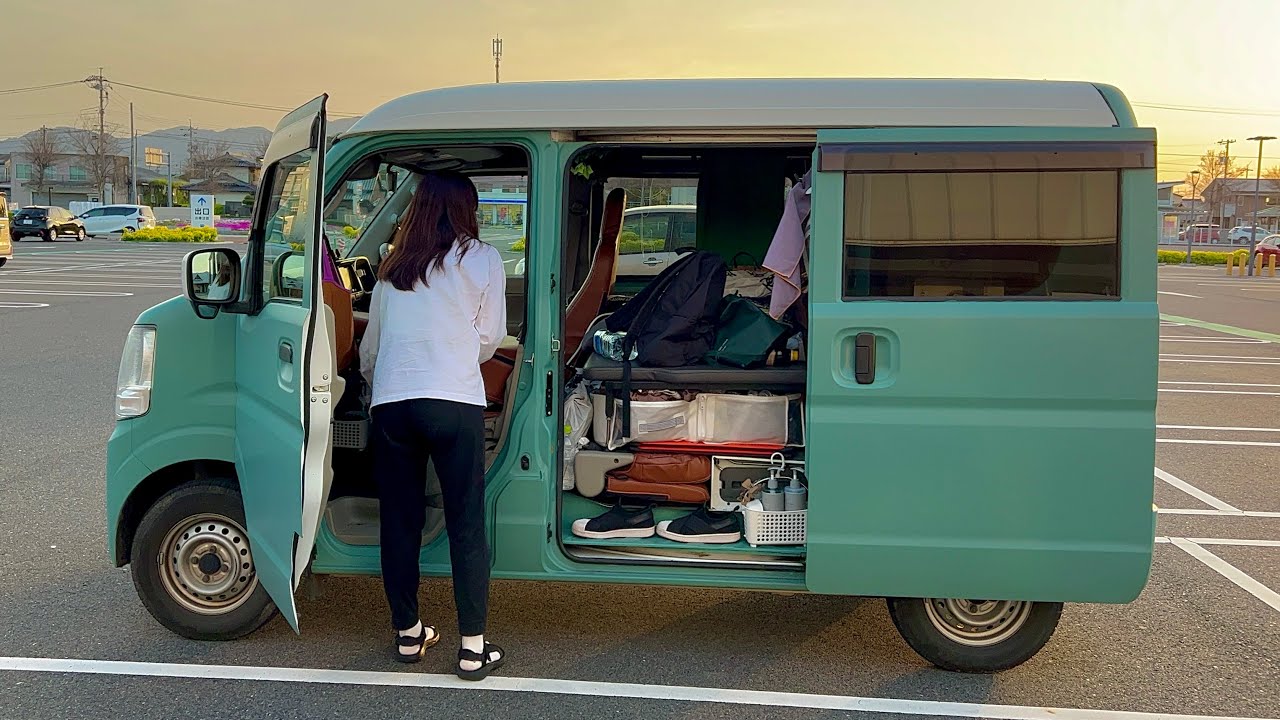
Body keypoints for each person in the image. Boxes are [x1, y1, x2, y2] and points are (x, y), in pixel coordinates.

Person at [358, 171, 508, 680]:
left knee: (400, 520)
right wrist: (455, 351)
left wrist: (378, 384)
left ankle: (408, 634)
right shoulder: (482, 258)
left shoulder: (393, 265)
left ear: (417, 208)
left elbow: (372, 348)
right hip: (453, 400)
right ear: (468, 210)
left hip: (393, 404)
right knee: (466, 523)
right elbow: (490, 337)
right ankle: (472, 649)